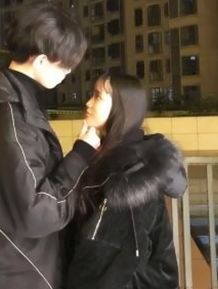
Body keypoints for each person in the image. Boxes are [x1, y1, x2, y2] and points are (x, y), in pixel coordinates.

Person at [0, 3, 100, 289]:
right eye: (65, 64)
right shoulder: (9, 117)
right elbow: (36, 211)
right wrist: (82, 154)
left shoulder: (8, 105)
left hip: (2, 269)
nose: (68, 72)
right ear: (41, 61)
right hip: (7, 274)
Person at [65, 73, 187, 289]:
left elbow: (107, 258)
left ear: (122, 107)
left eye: (97, 96)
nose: (88, 103)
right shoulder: (108, 155)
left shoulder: (131, 172)